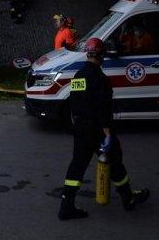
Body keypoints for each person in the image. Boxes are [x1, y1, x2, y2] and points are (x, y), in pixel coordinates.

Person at [58, 37, 150, 220]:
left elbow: (75, 103)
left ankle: (66, 206)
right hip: (98, 130)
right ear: (102, 56)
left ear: (87, 54)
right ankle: (128, 198)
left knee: (77, 165)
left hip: (81, 128)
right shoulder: (101, 79)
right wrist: (107, 134)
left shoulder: (78, 76)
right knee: (115, 160)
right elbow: (103, 109)